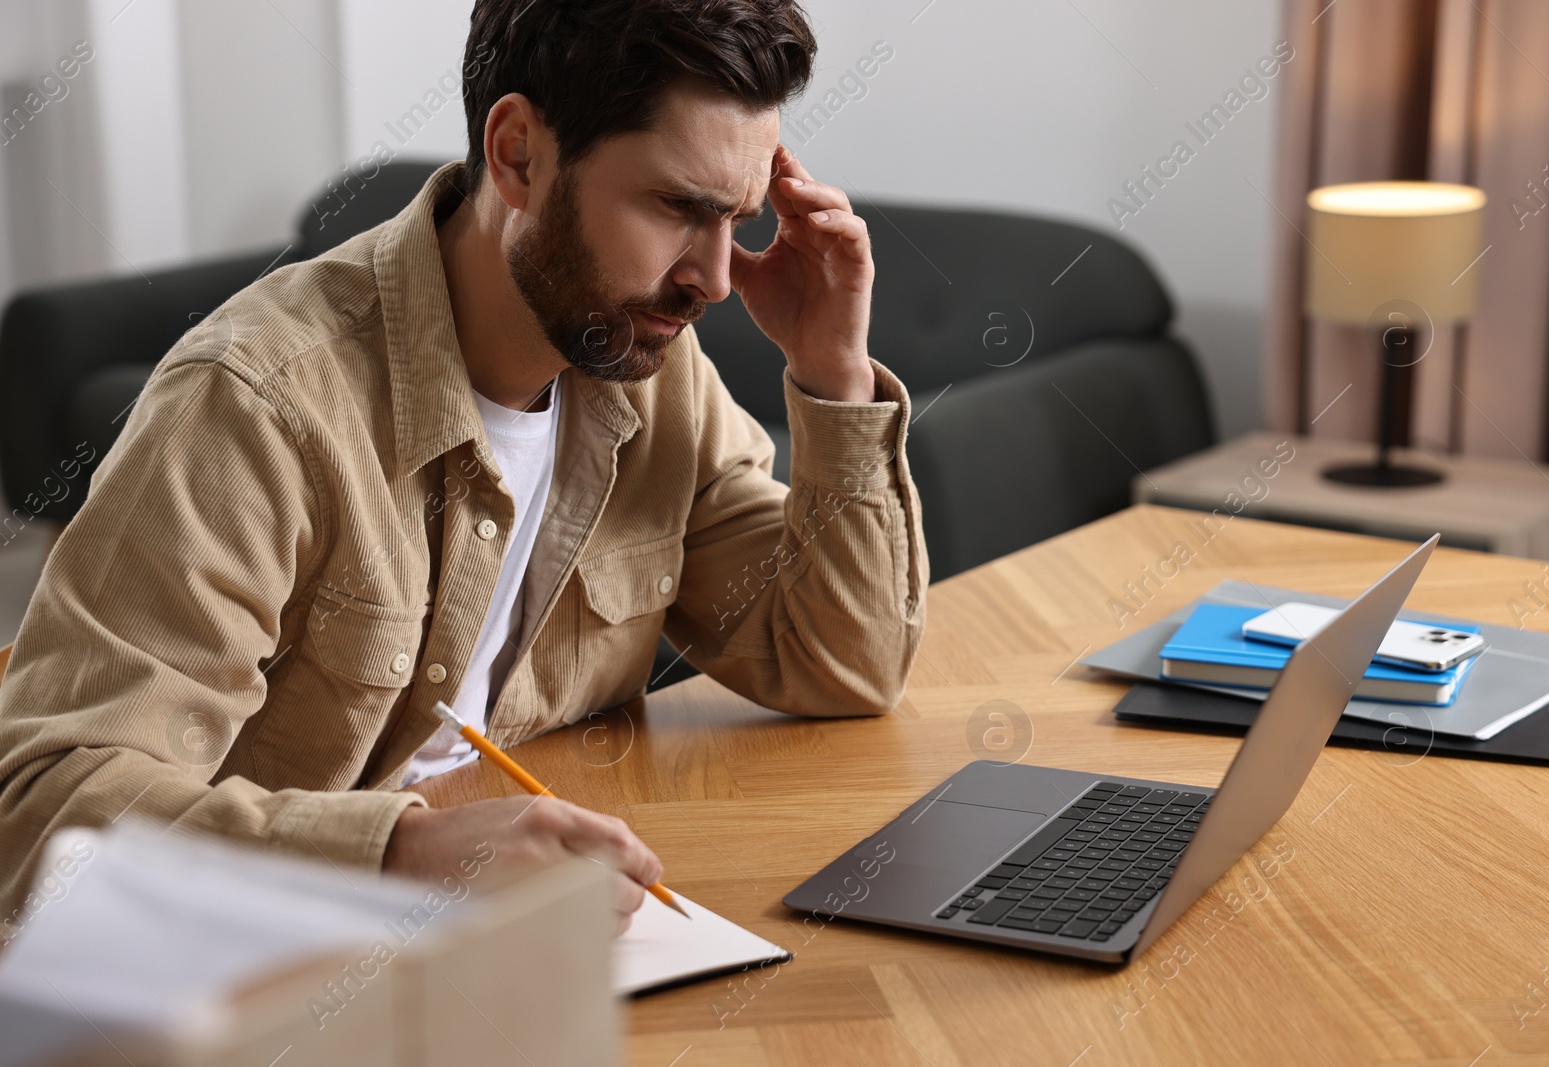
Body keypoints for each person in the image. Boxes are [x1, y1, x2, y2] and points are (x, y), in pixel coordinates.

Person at [0, 0, 927, 937]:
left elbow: (839, 662)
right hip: (249, 986)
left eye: (736, 218)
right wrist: (397, 855)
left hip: (524, 946)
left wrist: (833, 372)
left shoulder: (653, 375)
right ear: (518, 152)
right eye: (679, 207)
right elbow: (41, 815)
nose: (717, 279)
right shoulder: (257, 406)